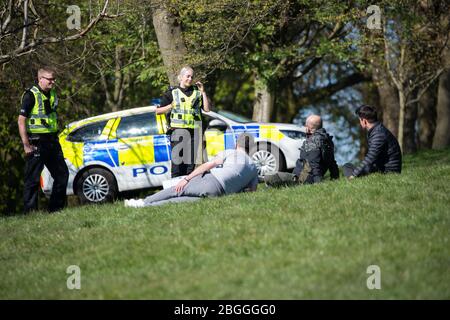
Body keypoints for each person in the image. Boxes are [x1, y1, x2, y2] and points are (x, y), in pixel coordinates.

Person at [125, 133, 258, 207]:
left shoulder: (230, 152)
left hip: (211, 181)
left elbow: (208, 165)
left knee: (176, 191)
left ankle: (143, 202)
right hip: (219, 195)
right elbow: (252, 191)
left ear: (237, 143)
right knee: (178, 201)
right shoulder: (253, 167)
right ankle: (147, 206)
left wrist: (186, 178)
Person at [18, 67, 69, 213]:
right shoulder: (30, 95)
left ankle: (56, 210)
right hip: (36, 142)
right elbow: (21, 121)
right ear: (40, 79)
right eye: (50, 79)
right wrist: (26, 145)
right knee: (32, 180)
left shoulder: (52, 93)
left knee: (62, 175)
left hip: (52, 141)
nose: (53, 82)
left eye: (54, 79)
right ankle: (30, 213)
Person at [156, 66, 211, 178]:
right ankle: (175, 191)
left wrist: (203, 92)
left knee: (190, 165)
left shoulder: (197, 92)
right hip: (178, 132)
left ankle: (187, 191)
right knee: (177, 164)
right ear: (181, 77)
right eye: (188, 76)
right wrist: (170, 106)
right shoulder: (172, 92)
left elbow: (206, 109)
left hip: (194, 132)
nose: (190, 79)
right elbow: (158, 111)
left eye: (192, 76)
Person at [264, 114, 339, 187]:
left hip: (300, 180)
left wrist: (318, 183)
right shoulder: (328, 140)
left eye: (305, 125)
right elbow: (332, 162)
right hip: (304, 178)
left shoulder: (312, 141)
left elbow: (314, 164)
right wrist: (335, 177)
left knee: (269, 176)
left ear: (308, 128)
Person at [343, 105, 402, 178]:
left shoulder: (378, 134)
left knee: (357, 169)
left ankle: (353, 180)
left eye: (360, 120)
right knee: (347, 166)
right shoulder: (377, 130)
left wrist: (354, 175)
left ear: (364, 121)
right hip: (380, 168)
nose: (360, 122)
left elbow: (370, 158)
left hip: (388, 172)